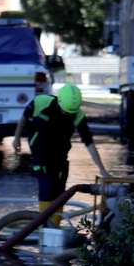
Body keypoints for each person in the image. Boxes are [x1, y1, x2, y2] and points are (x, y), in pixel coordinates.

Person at [13, 85, 108, 222]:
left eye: (72, 112)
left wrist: (102, 169)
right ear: (59, 102)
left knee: (59, 190)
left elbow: (89, 142)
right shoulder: (41, 102)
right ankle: (44, 228)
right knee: (47, 186)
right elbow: (24, 117)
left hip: (60, 154)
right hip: (40, 152)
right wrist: (17, 138)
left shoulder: (78, 114)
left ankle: (54, 228)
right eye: (66, 112)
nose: (69, 115)